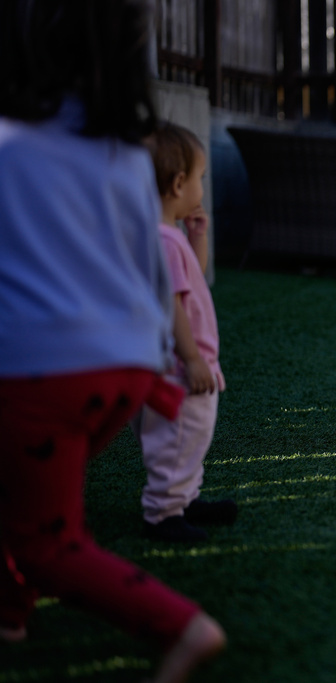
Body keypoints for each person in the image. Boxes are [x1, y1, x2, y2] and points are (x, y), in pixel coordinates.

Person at [0, 1, 225, 680]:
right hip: (123, 373)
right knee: (23, 499)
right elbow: (150, 270)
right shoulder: (126, 156)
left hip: (44, 373)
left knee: (50, 541)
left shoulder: (10, 141)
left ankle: (181, 626)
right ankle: (11, 612)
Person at [135, 122, 236, 544]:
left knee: (190, 439)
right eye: (200, 179)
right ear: (178, 184)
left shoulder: (167, 238)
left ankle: (184, 499)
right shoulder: (163, 241)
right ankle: (163, 513)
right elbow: (173, 304)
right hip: (180, 369)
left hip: (180, 364)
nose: (200, 188)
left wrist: (198, 238)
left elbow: (190, 276)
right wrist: (193, 359)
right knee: (177, 439)